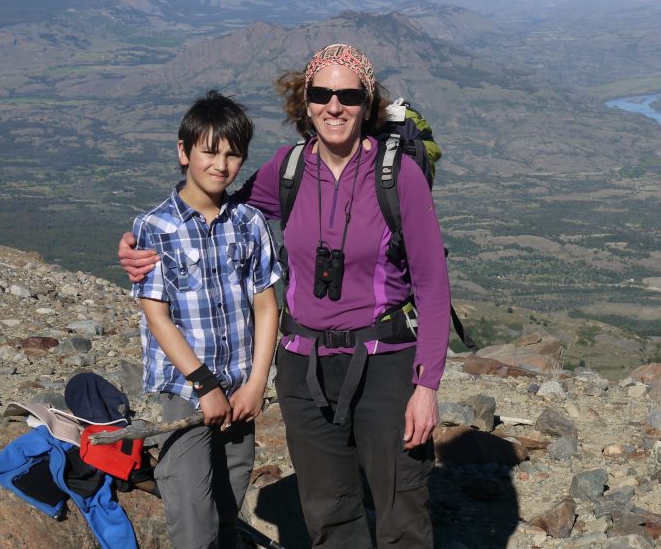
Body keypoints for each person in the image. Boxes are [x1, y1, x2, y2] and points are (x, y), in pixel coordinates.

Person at [121, 44, 451, 549]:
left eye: (348, 95)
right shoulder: (288, 168)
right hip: (304, 367)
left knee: (402, 507)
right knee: (328, 510)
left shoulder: (396, 175)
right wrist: (137, 244)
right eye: (321, 93)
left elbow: (432, 283)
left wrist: (426, 387)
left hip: (385, 361)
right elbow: (218, 209)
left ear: (368, 103)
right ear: (306, 100)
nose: (334, 106)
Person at [131, 90, 282, 549]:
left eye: (233, 154)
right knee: (193, 517)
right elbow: (156, 315)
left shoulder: (250, 222)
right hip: (188, 394)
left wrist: (256, 384)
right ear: (184, 151)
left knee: (228, 503)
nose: (221, 164)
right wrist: (203, 384)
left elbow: (266, 304)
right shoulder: (155, 226)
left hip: (240, 391)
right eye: (209, 152)